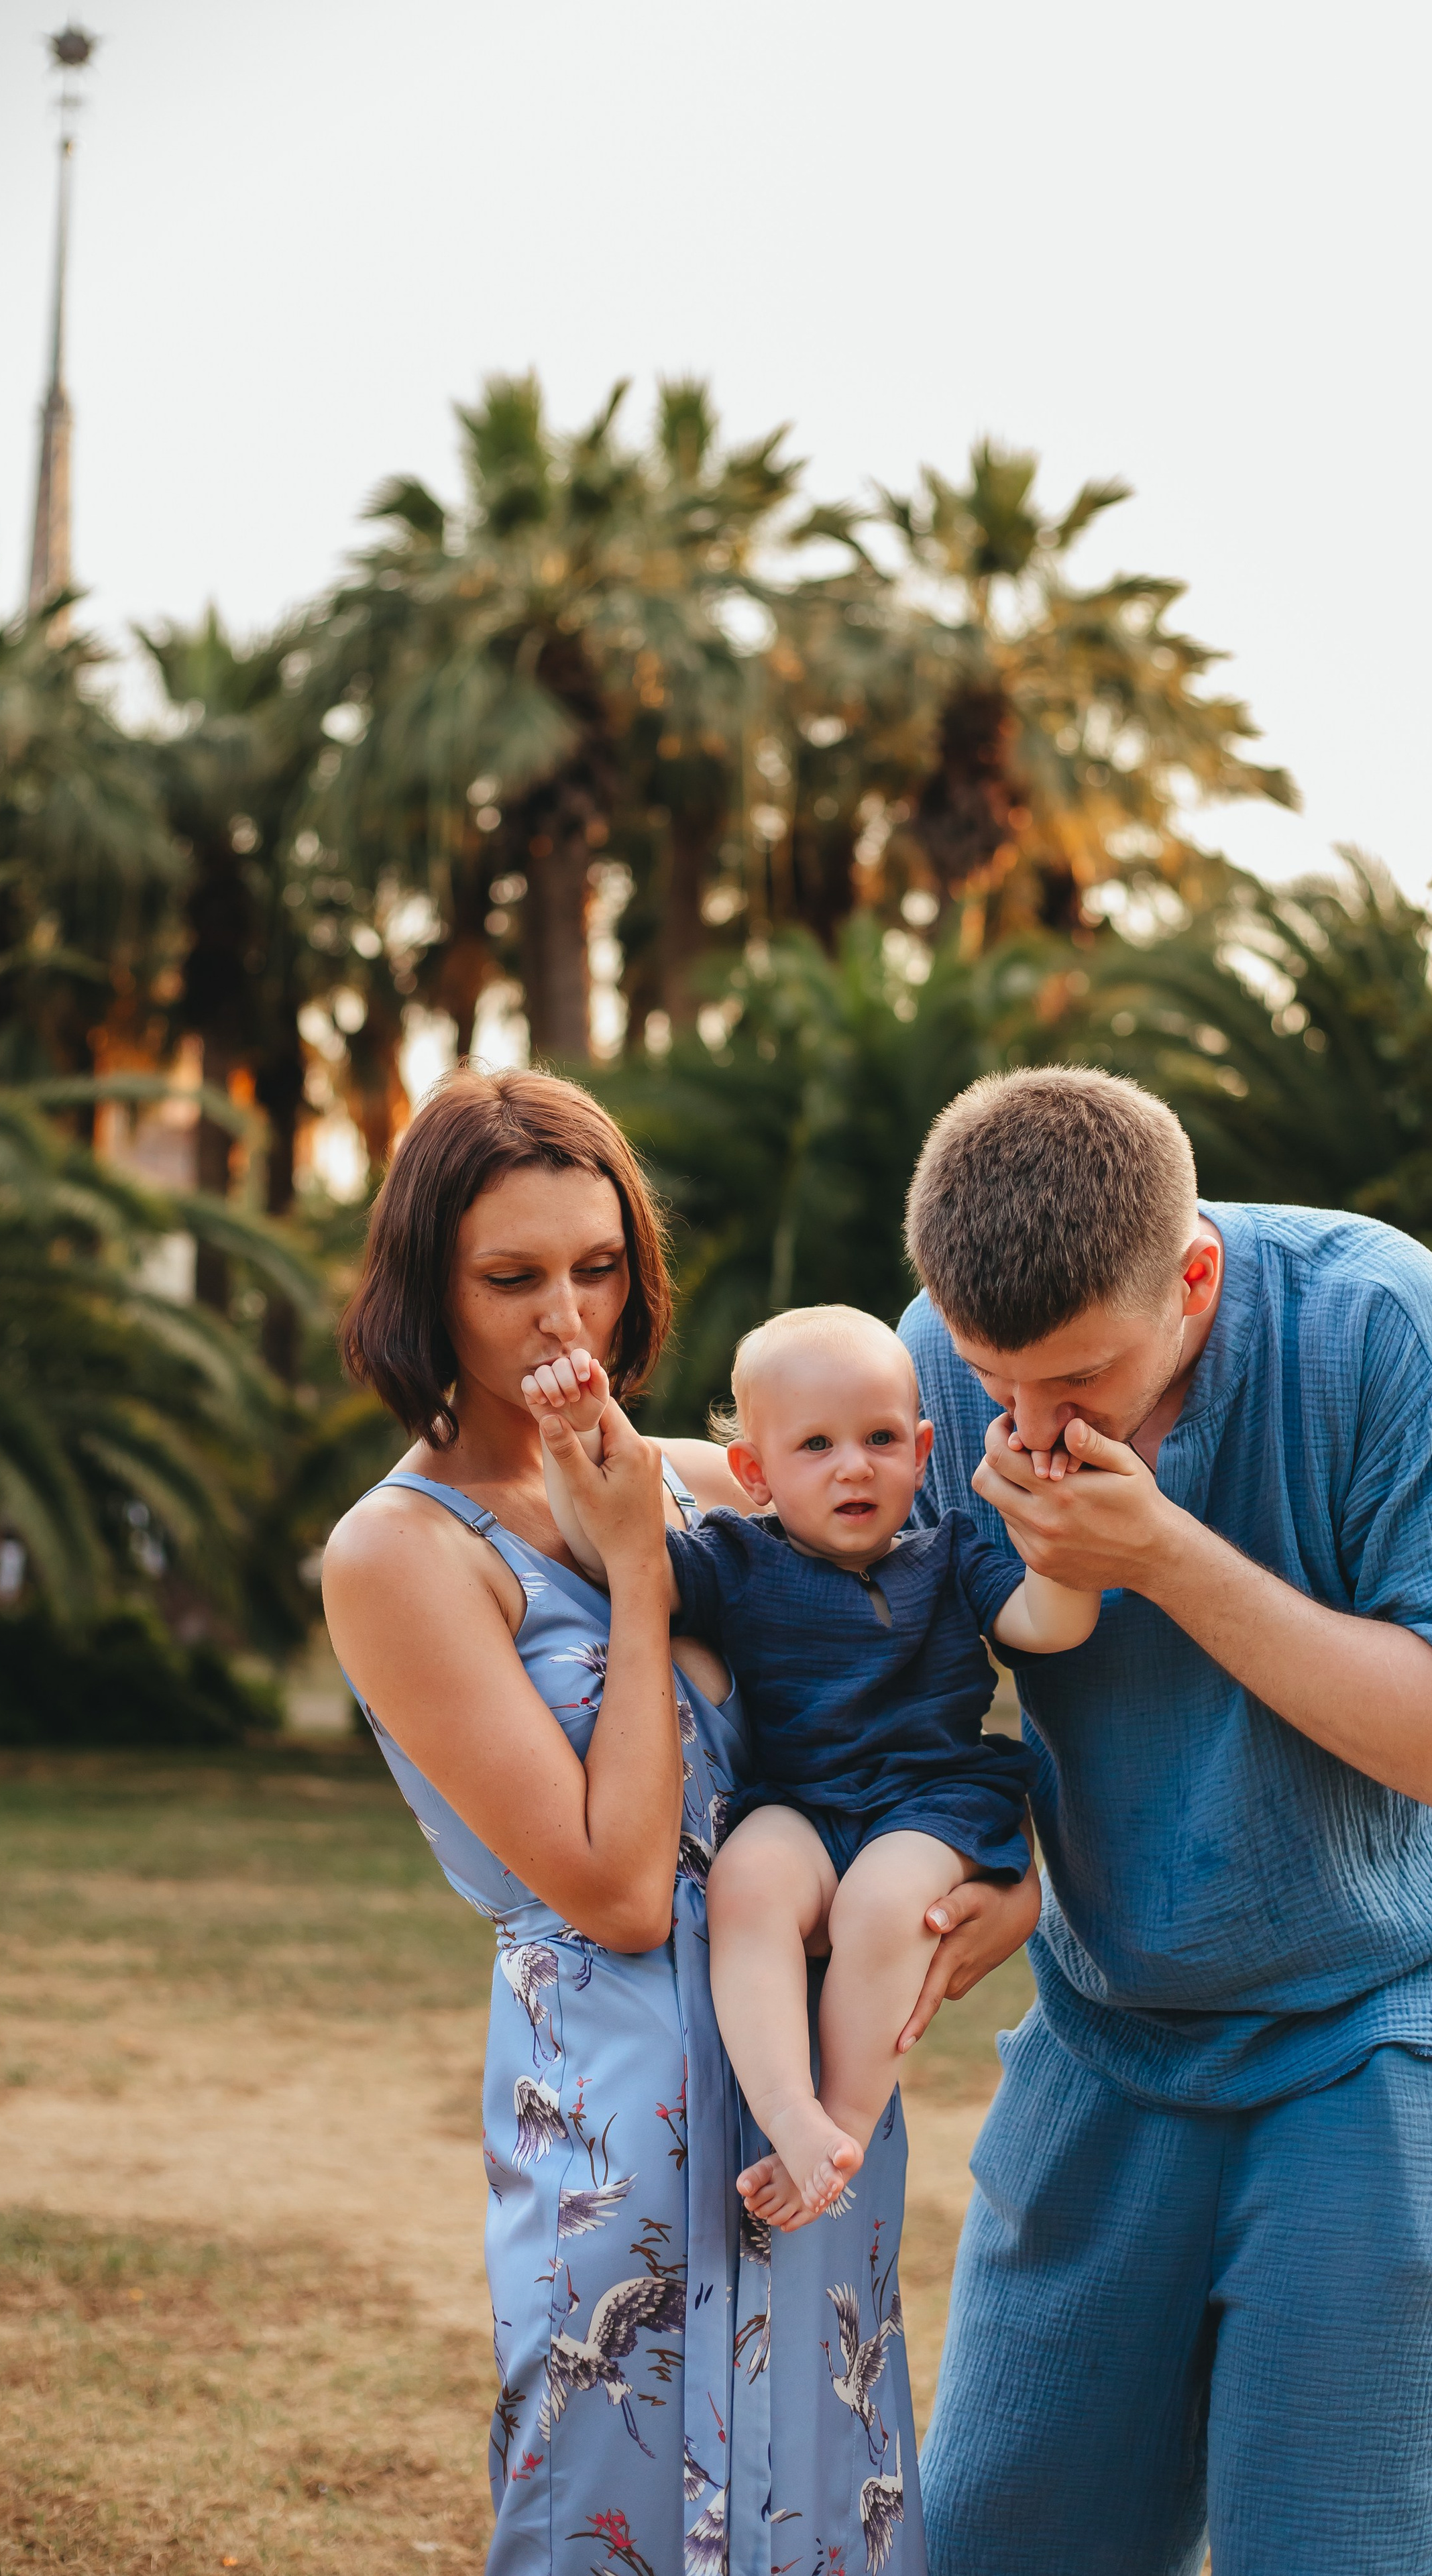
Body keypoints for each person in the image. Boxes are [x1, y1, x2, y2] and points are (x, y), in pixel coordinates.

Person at [319, 1069, 1036, 2576]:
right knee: (618, 2498)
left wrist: (1006, 1891)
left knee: (831, 2471)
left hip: (808, 2079)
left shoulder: (728, 1476)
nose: (562, 1320)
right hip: (617, 2094)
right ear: (424, 1291)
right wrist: (639, 1587)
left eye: (595, 1269)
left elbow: (925, 1679)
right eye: (510, 1278)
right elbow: (622, 1888)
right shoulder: (398, 1552)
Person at [897, 1065, 1432, 2576]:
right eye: (994, 1378)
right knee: (985, 2545)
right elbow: (909, 1678)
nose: (1026, 1423)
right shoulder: (941, 1355)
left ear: (1191, 1275)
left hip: (1385, 2025)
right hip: (1109, 2024)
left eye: (1074, 1381)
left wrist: (1166, 1557)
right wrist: (977, 1856)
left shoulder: (1378, 1322)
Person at [525, 1305, 1096, 2231]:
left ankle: (845, 2120)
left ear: (919, 1449)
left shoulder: (953, 1555)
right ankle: (788, 2107)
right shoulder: (740, 1560)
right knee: (746, 1884)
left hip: (932, 1801)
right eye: (817, 1445)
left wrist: (1067, 1536)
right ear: (754, 1473)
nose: (854, 1465)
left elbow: (1051, 1623)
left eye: (879, 1439)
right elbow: (611, 1556)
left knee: (881, 1901)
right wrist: (566, 1442)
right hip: (800, 1799)